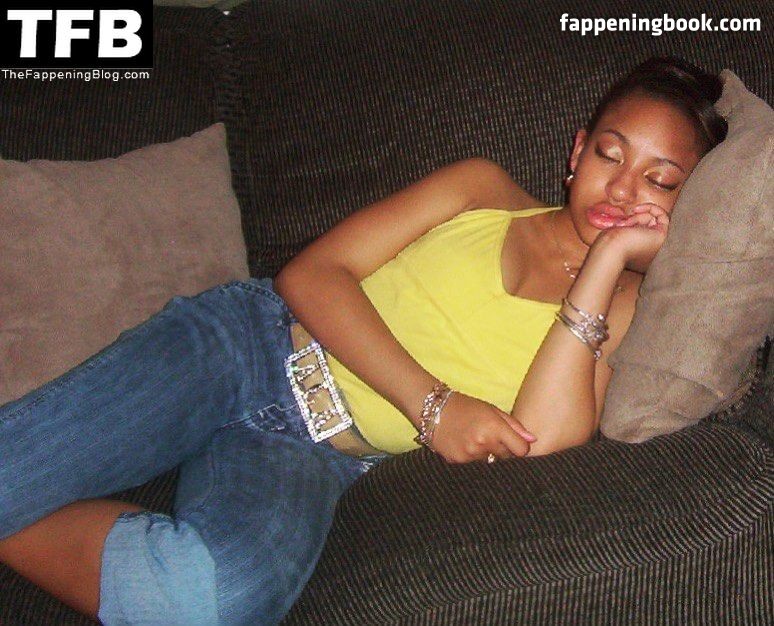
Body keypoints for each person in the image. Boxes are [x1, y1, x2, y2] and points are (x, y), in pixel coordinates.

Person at [0, 56, 728, 625]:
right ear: (576, 151)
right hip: (246, 347)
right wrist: (433, 407)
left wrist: (604, 264)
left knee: (210, 603)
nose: (622, 189)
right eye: (609, 154)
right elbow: (310, 275)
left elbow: (538, 440)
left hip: (312, 455)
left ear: (688, 206)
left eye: (660, 181)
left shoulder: (627, 314)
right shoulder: (481, 190)